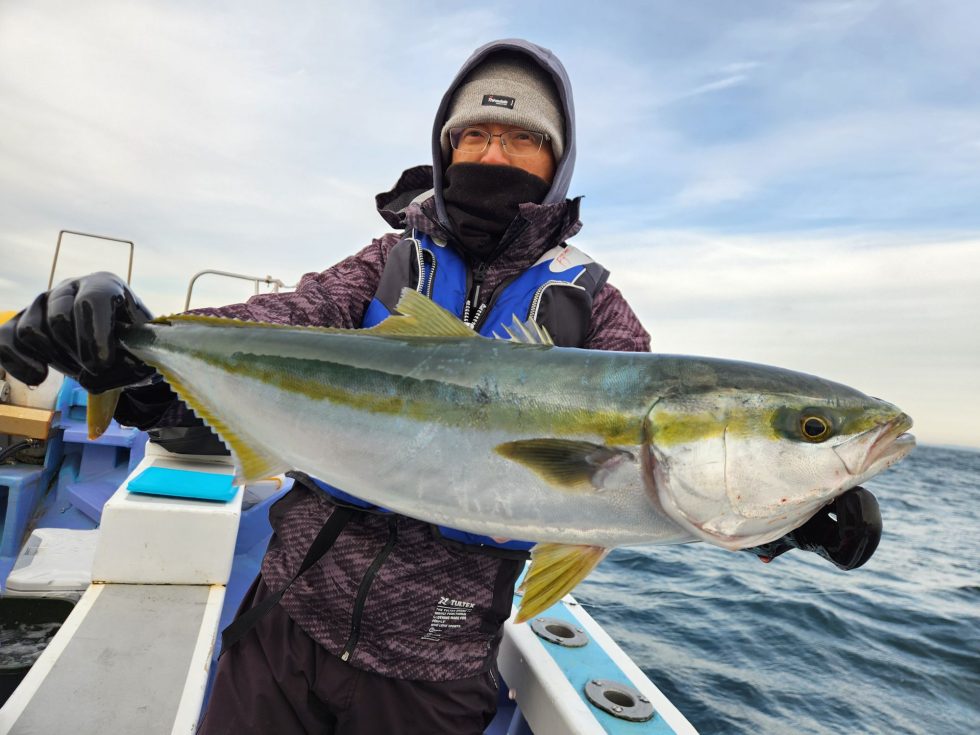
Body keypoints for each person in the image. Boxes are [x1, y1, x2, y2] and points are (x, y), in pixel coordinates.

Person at [0, 38, 882, 735]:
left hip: (433, 675)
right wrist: (136, 343)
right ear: (446, 145)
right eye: (476, 135)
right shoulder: (388, 266)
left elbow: (697, 487)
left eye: (524, 139)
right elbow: (289, 320)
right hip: (285, 626)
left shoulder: (599, 317)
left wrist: (793, 516)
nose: (495, 153)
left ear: (557, 162)